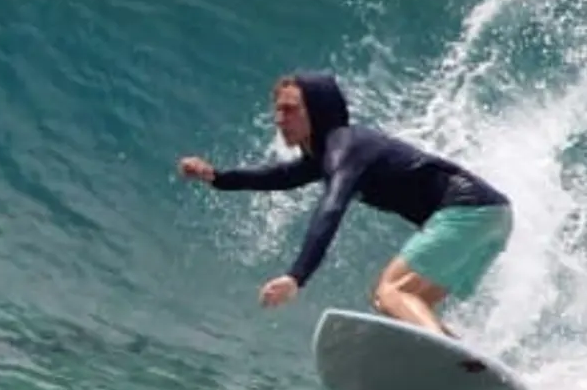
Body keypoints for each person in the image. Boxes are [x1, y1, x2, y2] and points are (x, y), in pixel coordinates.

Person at [176, 70, 513, 335]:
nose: (279, 119)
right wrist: (217, 177)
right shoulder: (330, 154)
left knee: (389, 291)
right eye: (277, 110)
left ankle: (447, 366)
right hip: (491, 215)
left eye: (290, 109)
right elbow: (276, 177)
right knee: (406, 304)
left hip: (466, 210)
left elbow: (332, 207)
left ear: (317, 111)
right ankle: (466, 367)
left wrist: (297, 277)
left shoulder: (345, 147)